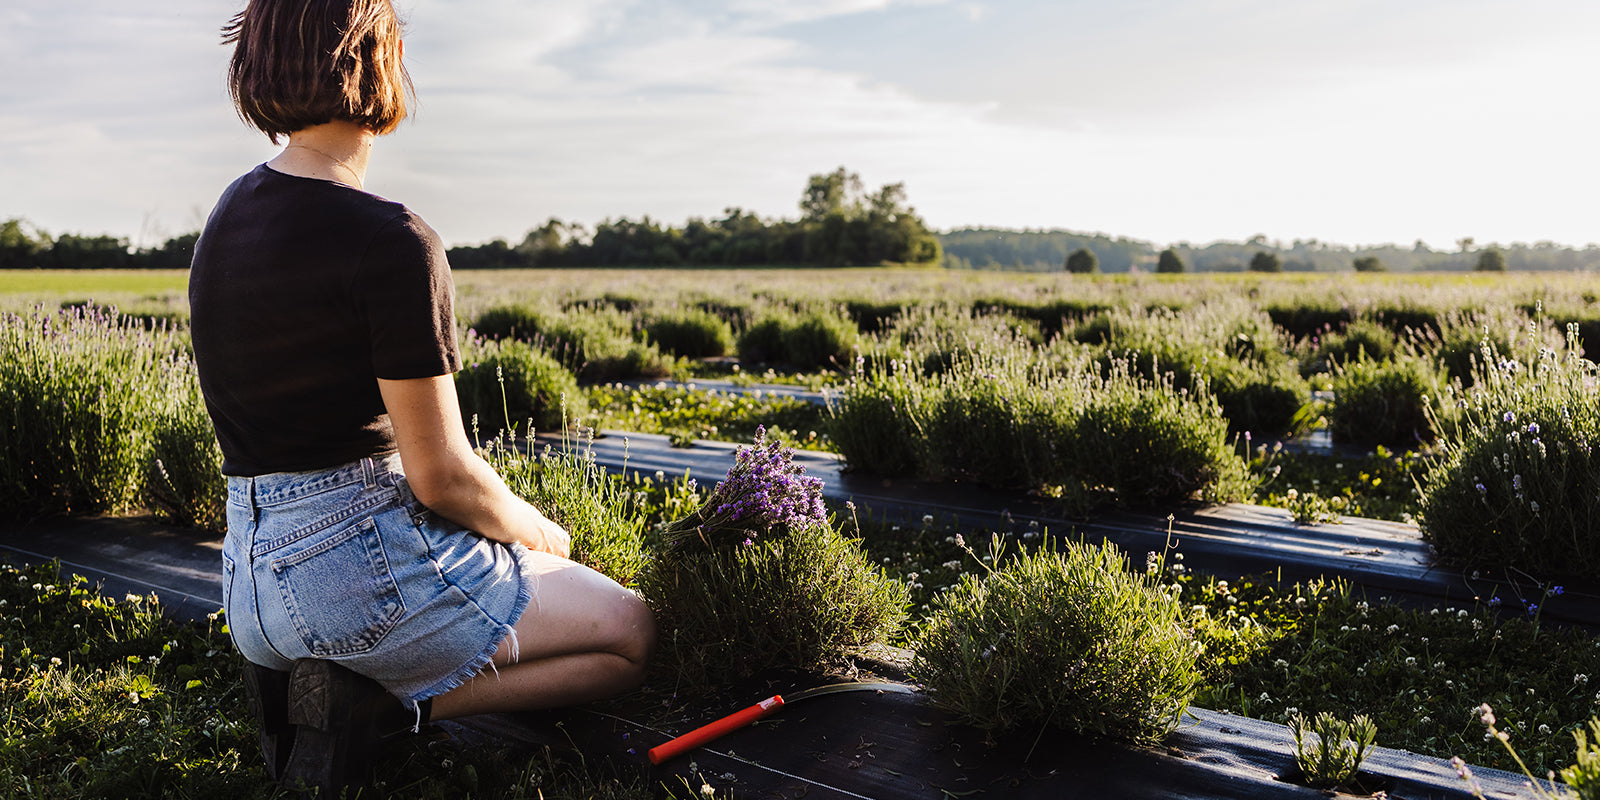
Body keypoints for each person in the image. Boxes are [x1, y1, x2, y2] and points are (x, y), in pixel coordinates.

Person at [188, 0, 655, 791]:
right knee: (630, 629)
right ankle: (382, 711)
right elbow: (444, 477)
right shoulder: (392, 238)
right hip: (353, 587)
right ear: (379, 59)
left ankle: (314, 681)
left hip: (248, 588)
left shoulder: (227, 215)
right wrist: (538, 531)